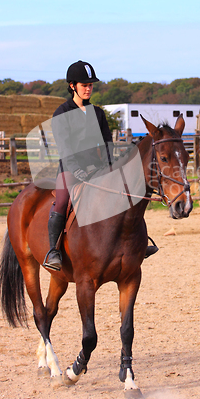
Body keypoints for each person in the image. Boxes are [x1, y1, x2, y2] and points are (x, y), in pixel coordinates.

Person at [43, 60, 158, 272]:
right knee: (62, 202)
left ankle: (139, 243)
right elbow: (64, 147)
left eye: (90, 85)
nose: (88, 88)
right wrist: (77, 169)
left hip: (97, 168)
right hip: (70, 168)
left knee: (127, 195)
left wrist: (110, 166)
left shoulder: (97, 113)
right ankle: (53, 251)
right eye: (84, 84)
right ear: (72, 86)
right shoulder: (62, 113)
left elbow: (107, 144)